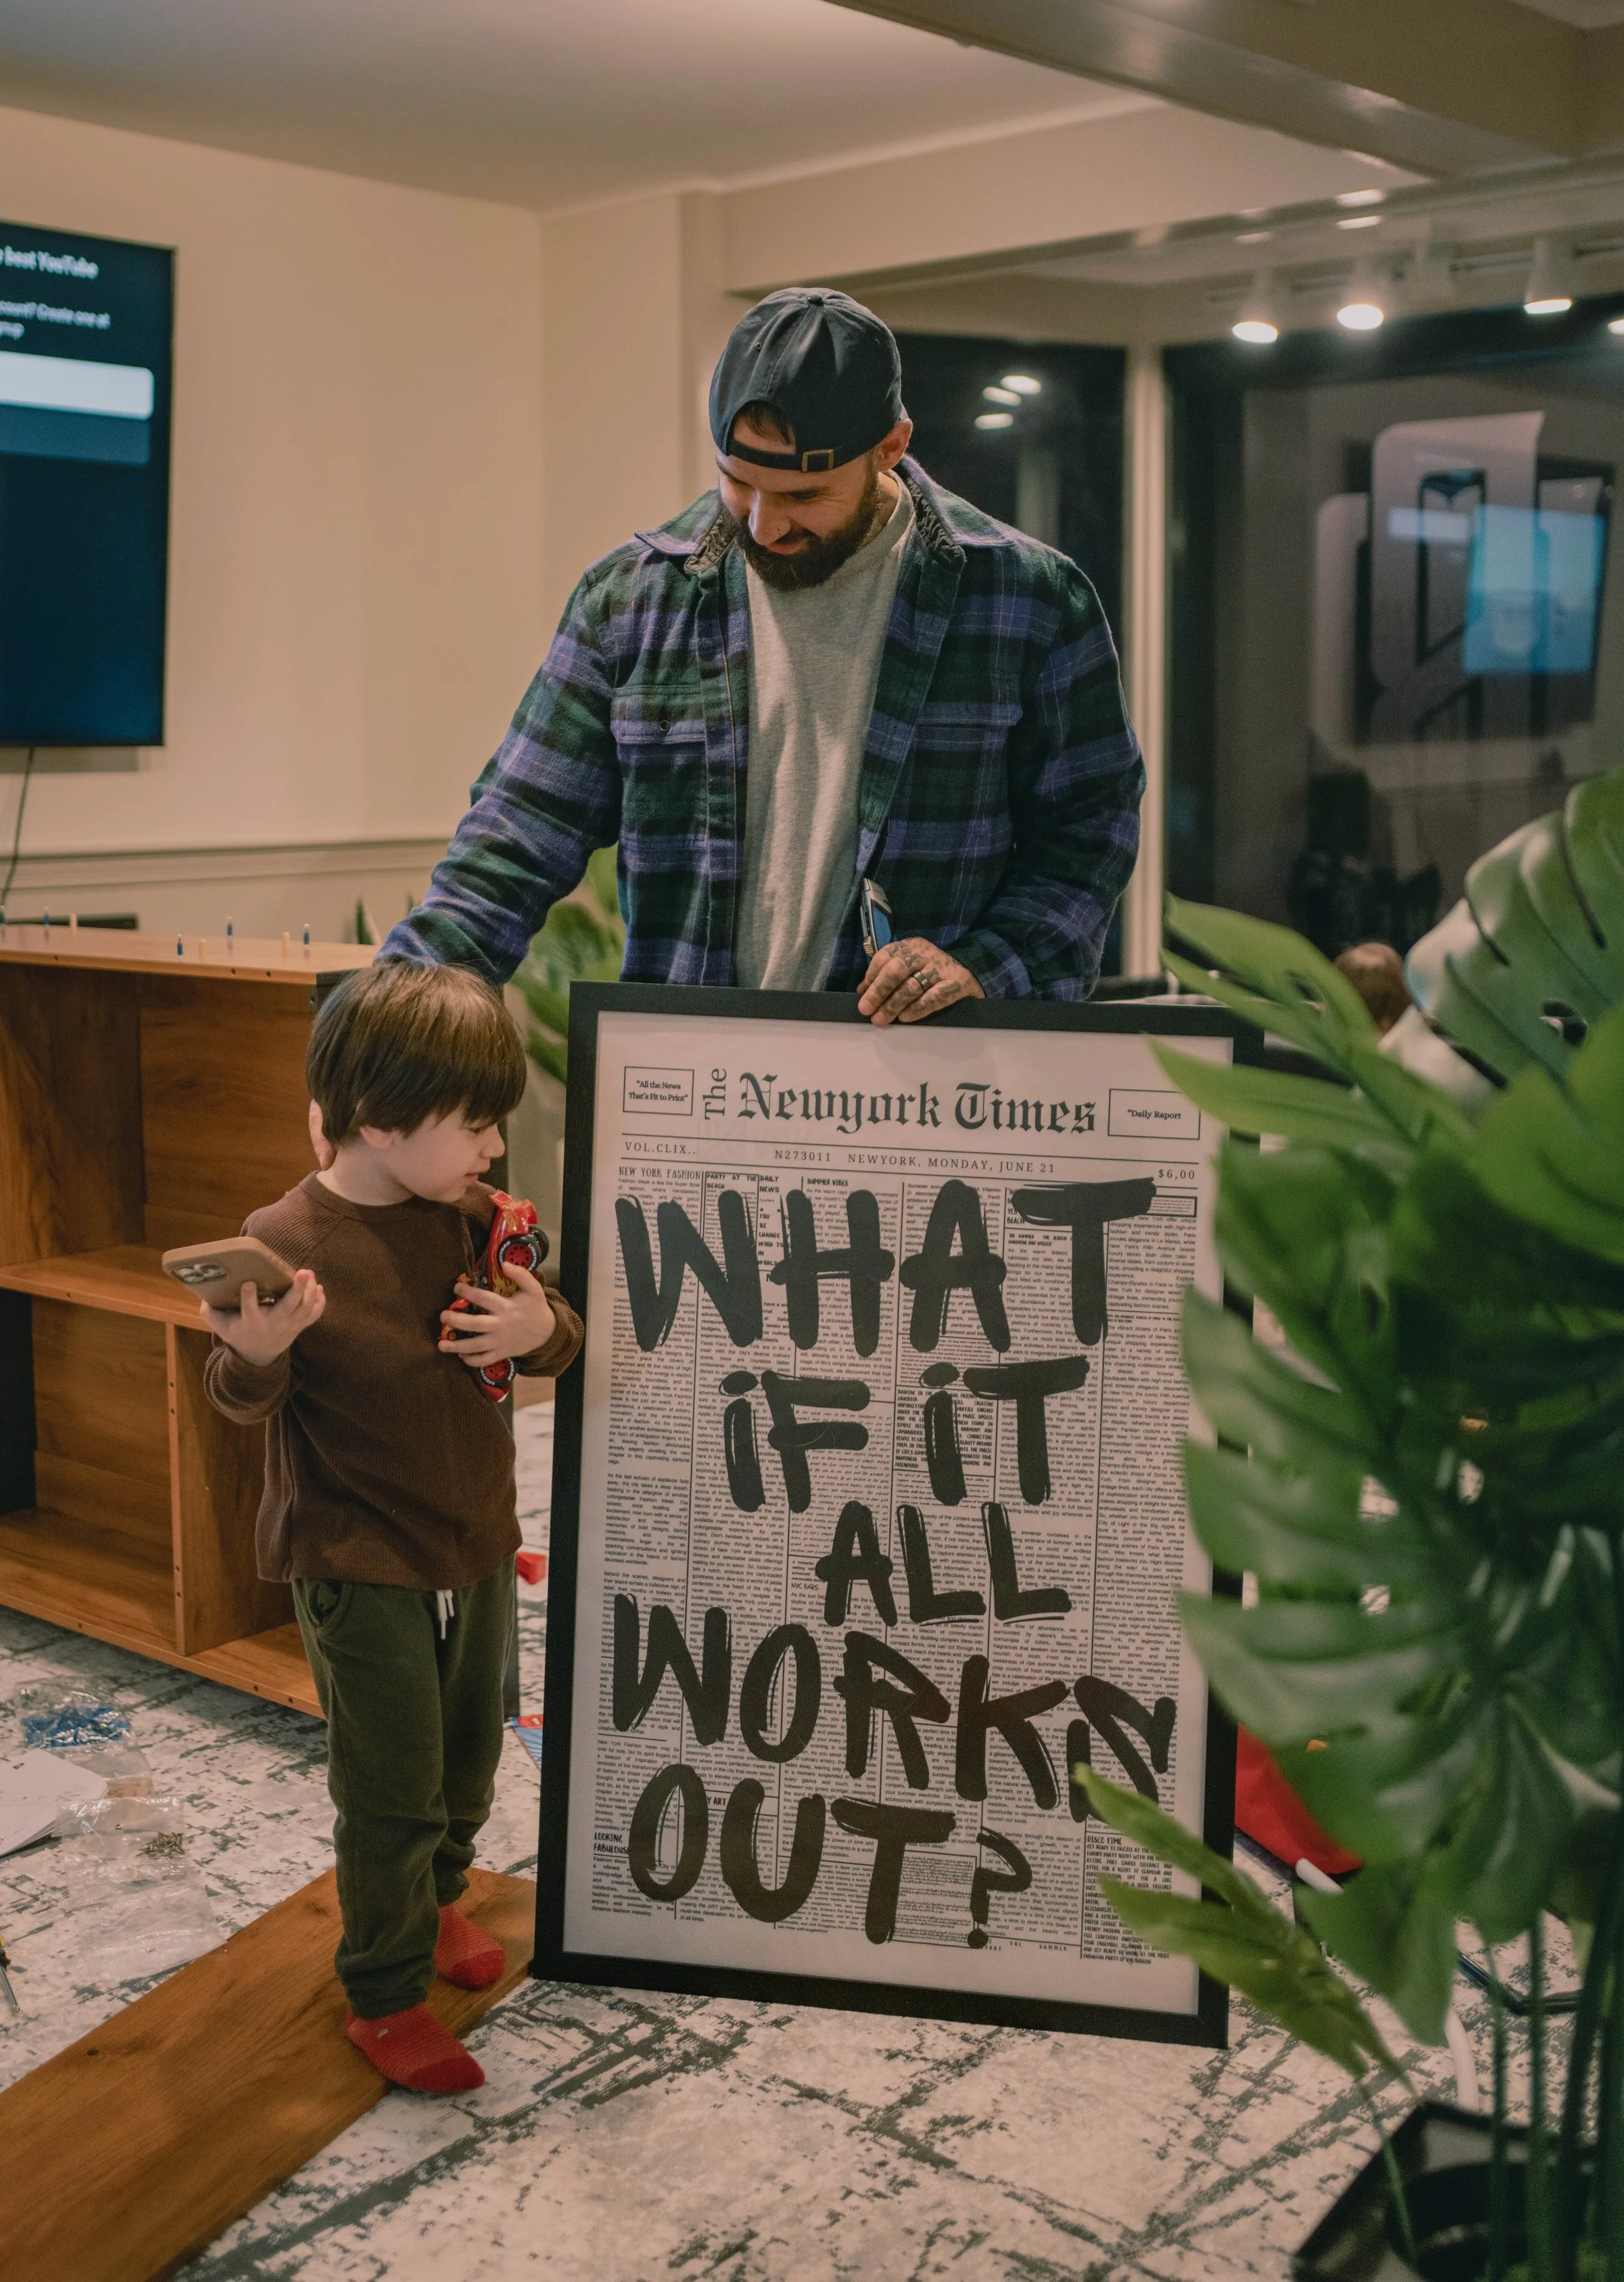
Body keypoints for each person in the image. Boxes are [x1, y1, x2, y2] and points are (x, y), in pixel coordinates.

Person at [382, 288, 1143, 1012]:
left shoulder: (1028, 600)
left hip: (915, 1090)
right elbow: (515, 836)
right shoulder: (630, 602)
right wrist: (386, 1029)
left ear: (891, 447)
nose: (761, 527)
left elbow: (1089, 833)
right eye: (736, 484)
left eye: (802, 497)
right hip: (683, 1084)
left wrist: (985, 964)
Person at [201, 960, 582, 2096]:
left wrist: (536, 1324)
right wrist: (257, 1354)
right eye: (476, 1125)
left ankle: (443, 1891)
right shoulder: (283, 1236)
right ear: (375, 1120)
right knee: (393, 1784)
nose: (495, 1149)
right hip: (355, 1559)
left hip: (472, 1539)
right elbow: (236, 1394)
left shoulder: (470, 1221)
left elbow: (550, 1331)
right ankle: (383, 1992)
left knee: (470, 1763)